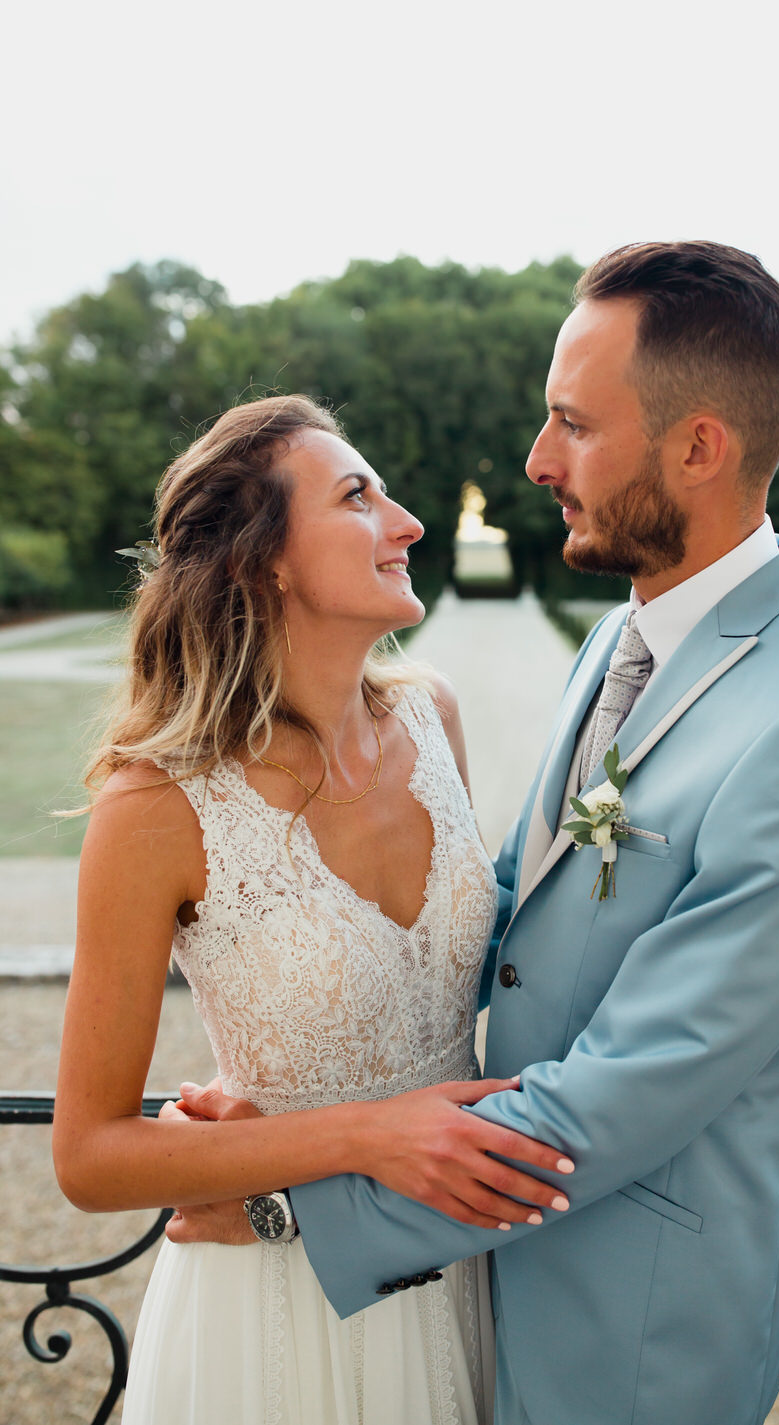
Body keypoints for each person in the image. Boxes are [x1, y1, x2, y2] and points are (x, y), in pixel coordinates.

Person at [172, 242, 779, 1425]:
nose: (535, 462)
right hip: (476, 1287)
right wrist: (300, 1066)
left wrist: (288, 1206)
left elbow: (633, 1089)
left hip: (630, 1338)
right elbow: (506, 911)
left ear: (697, 446)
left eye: (571, 424)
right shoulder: (616, 643)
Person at [51, 395, 576, 1425]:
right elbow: (89, 1155)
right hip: (274, 1296)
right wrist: (360, 1137)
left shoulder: (433, 719)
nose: (407, 522)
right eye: (356, 497)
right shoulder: (155, 804)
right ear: (265, 563)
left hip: (461, 1264)